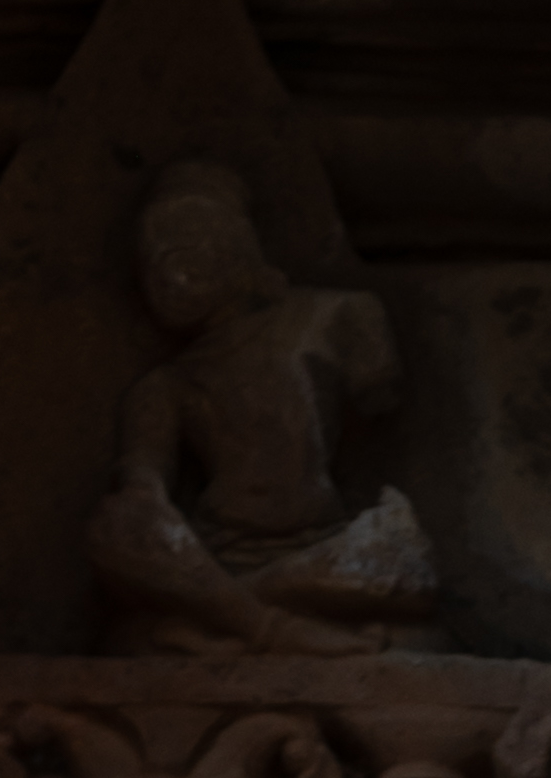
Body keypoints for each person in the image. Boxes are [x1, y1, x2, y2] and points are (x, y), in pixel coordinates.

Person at [90, 159, 445, 656]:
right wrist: (144, 513)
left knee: (406, 578)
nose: (170, 273)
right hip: (216, 556)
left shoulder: (338, 315)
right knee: (114, 529)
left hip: (323, 550)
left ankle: (216, 623)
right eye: (151, 259)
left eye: (189, 238)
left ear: (240, 244)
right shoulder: (165, 386)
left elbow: (376, 404)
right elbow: (142, 490)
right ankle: (277, 631)